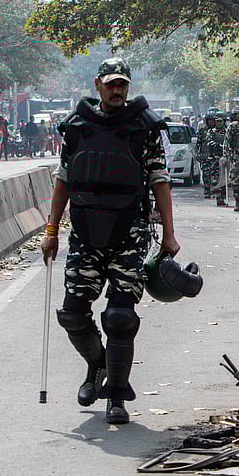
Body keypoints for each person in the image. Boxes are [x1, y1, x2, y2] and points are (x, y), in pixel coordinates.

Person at [40, 57, 180, 425]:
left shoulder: (144, 129)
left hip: (128, 233)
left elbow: (160, 182)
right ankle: (98, 366)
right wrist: (51, 231)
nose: (117, 90)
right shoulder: (76, 127)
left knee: (120, 317)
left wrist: (168, 233)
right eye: (111, 84)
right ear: (98, 84)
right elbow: (63, 181)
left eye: (123, 84)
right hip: (85, 232)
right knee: (72, 314)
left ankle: (116, 395)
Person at [205, 114, 228, 206]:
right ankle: (218, 197)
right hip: (214, 159)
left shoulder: (227, 132)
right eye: (217, 121)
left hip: (225, 158)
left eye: (220, 121)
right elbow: (209, 142)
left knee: (225, 178)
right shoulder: (211, 132)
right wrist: (219, 146)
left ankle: (223, 196)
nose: (218, 123)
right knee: (216, 178)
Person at [196, 115, 215, 197]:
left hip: (215, 155)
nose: (211, 122)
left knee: (215, 174)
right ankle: (207, 189)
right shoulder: (202, 130)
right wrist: (198, 153)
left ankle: (215, 189)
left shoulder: (217, 131)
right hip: (205, 155)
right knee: (206, 173)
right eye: (209, 120)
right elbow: (198, 143)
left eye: (212, 120)